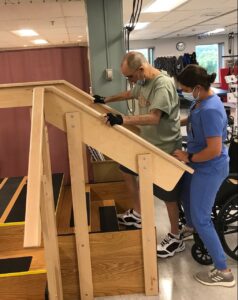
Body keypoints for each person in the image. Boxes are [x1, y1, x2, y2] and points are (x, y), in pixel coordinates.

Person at [93, 51, 185, 258]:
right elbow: (130, 94)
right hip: (147, 143)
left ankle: (176, 236)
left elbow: (154, 118)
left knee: (168, 195)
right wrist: (104, 98)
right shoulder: (143, 82)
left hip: (165, 147)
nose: (130, 82)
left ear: (141, 70)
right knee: (125, 168)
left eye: (130, 77)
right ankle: (139, 212)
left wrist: (121, 120)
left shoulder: (162, 85)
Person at [173, 64, 235, 287]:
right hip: (200, 164)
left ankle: (223, 271)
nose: (185, 92)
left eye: (186, 89)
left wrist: (188, 157)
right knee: (184, 194)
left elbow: (214, 150)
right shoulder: (199, 102)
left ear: (197, 87)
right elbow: (192, 120)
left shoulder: (211, 109)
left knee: (202, 217)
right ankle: (190, 228)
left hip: (210, 167)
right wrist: (172, 122)